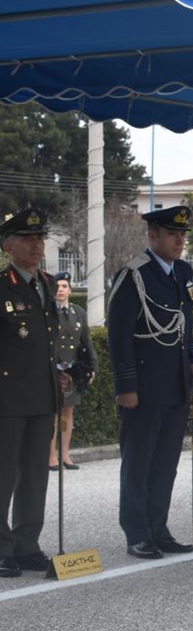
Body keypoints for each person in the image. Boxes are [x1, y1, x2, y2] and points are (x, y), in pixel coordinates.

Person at [109, 205, 193, 559]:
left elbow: (185, 325)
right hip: (145, 387)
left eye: (183, 234)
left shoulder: (183, 272)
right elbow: (119, 336)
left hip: (176, 385)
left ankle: (158, 528)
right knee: (139, 463)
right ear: (153, 236)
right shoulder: (133, 275)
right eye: (172, 234)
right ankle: (137, 532)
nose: (180, 241)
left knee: (165, 464)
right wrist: (126, 386)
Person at [0, 208, 64, 577]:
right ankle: (2, 548)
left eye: (40, 238)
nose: (36, 244)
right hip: (7, 397)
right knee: (3, 474)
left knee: (35, 474)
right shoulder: (2, 285)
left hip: (42, 394)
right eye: (28, 239)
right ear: (9, 246)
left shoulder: (47, 283)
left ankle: (27, 544)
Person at [49, 271, 96, 470]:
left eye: (64, 286)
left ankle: (65, 454)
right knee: (53, 414)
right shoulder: (46, 311)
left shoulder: (79, 312)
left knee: (68, 413)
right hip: (51, 371)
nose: (60, 290)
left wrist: (92, 367)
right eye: (57, 286)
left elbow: (86, 342)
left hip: (71, 372)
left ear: (70, 290)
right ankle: (51, 456)